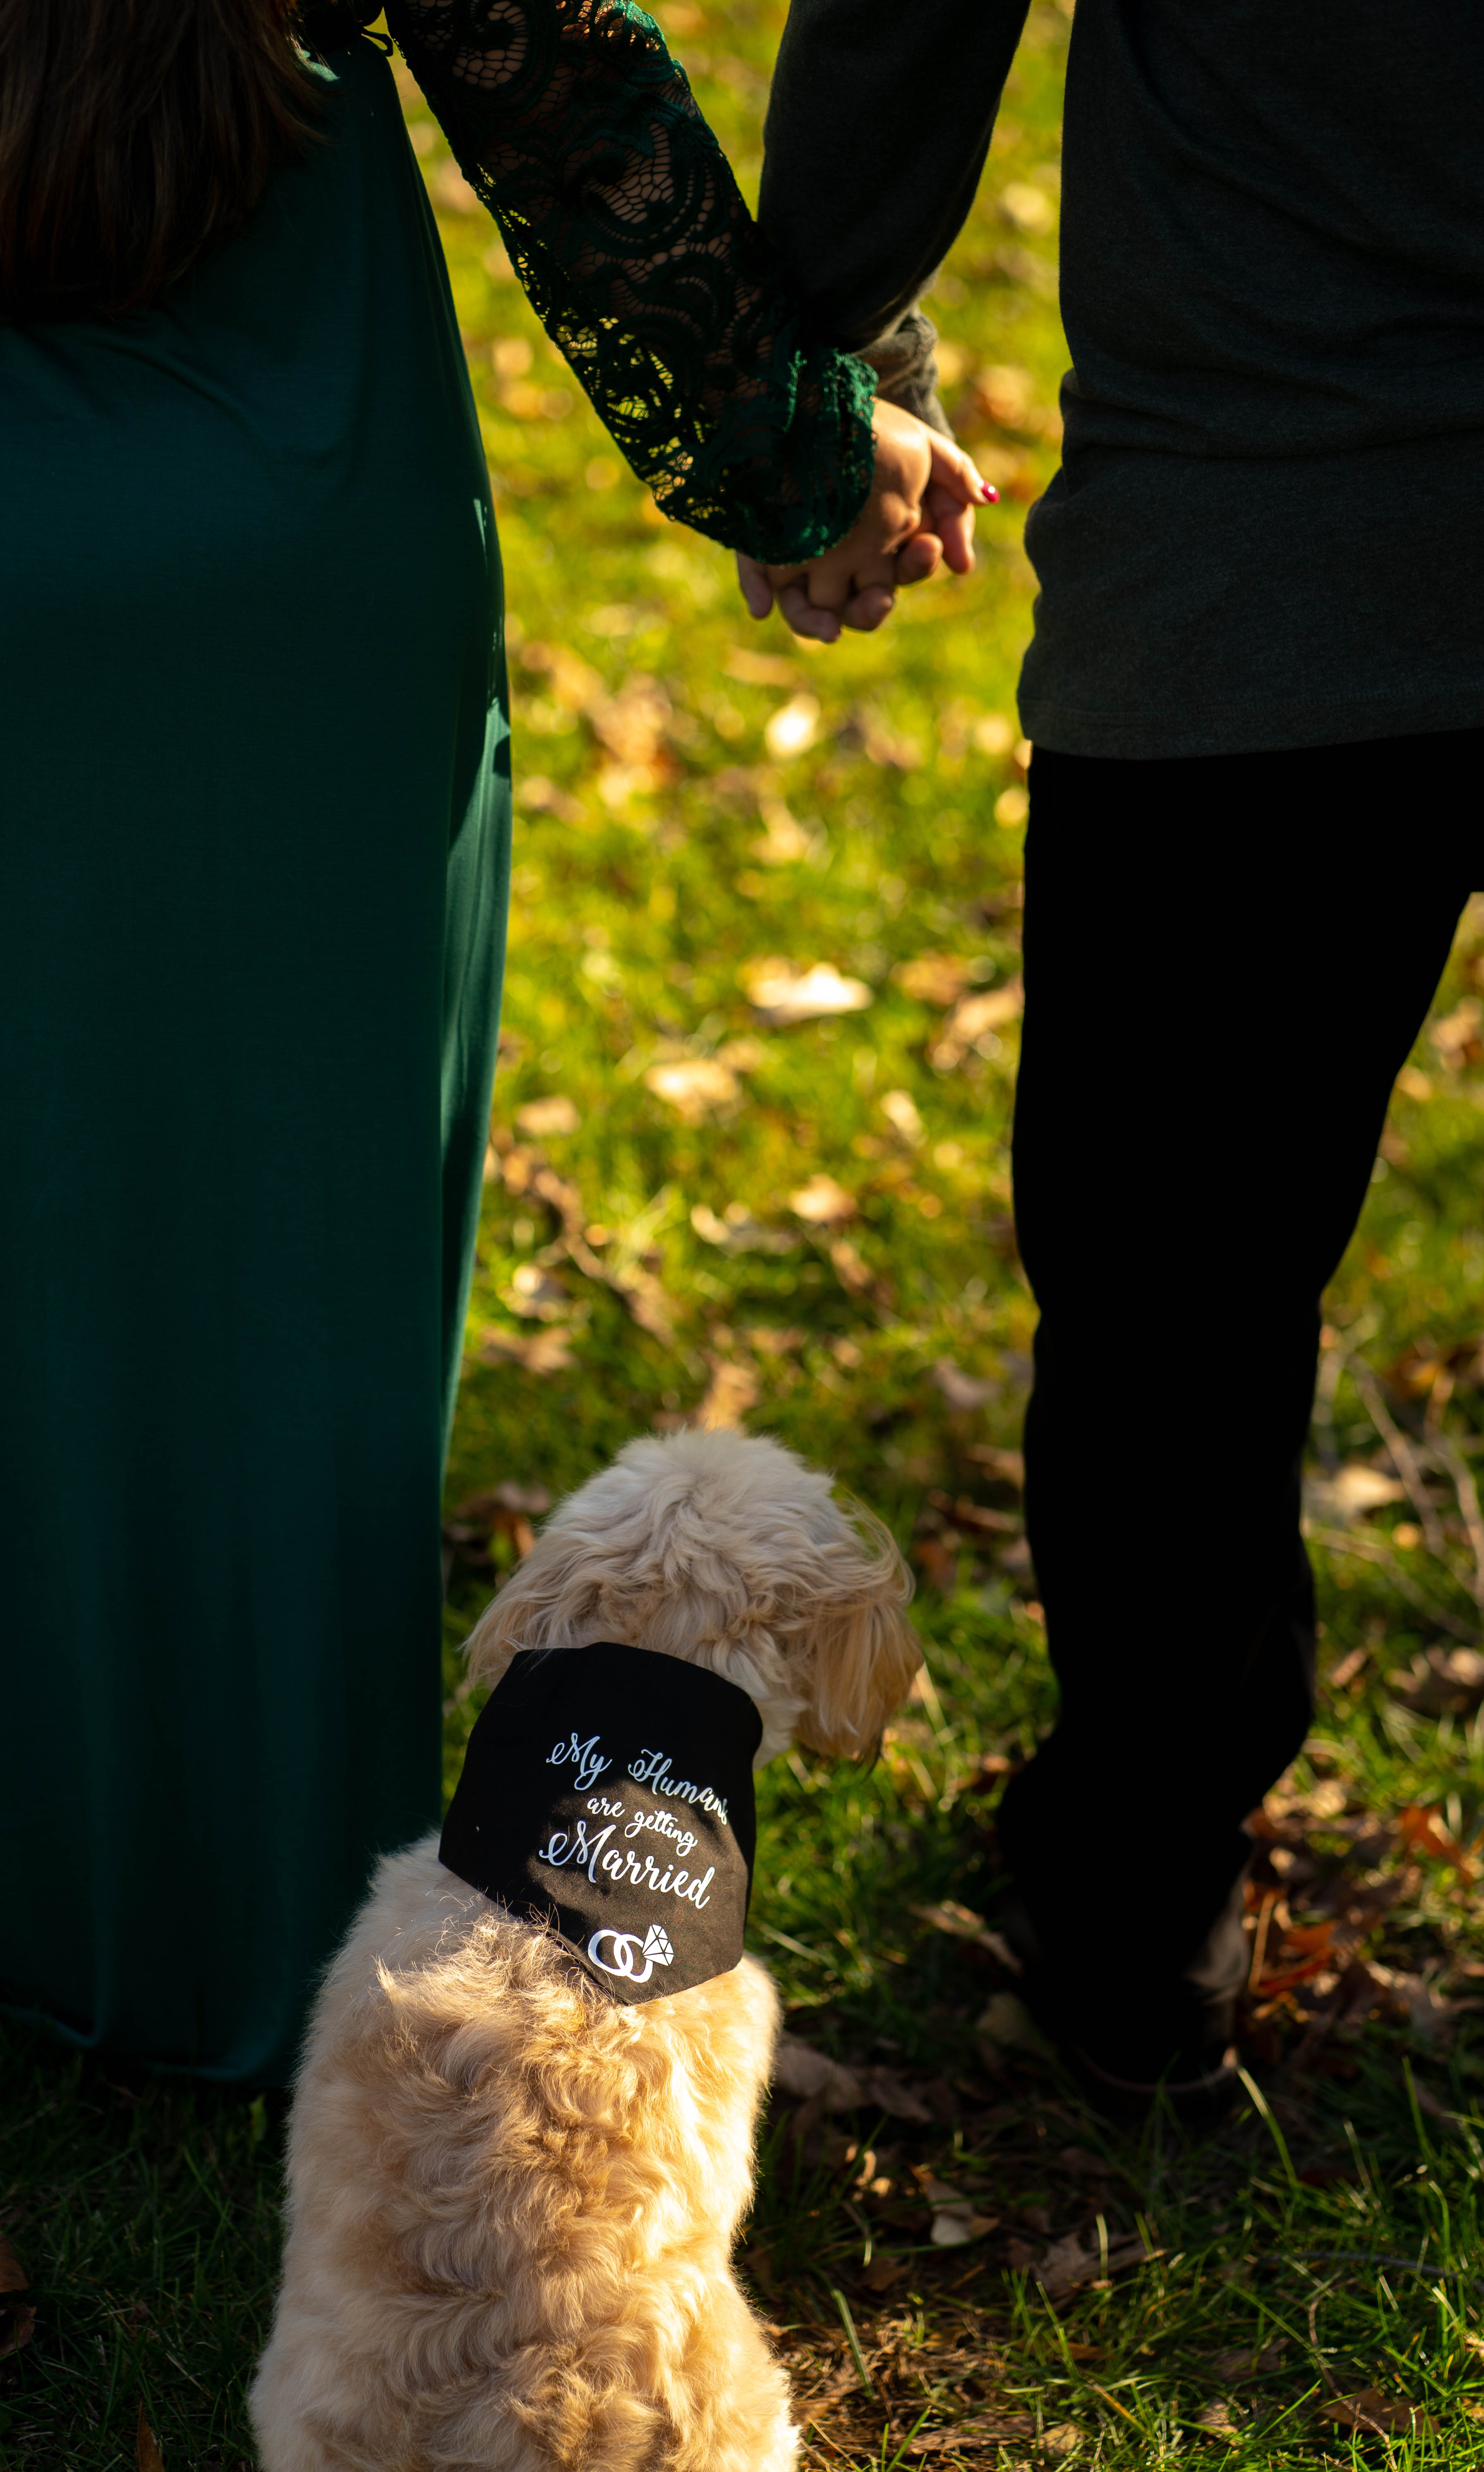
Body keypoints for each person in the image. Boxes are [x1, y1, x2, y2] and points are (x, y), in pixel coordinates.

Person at [0, 0, 991, 2080]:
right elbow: (560, 90)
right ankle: (236, 1920)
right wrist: (809, 451)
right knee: (279, 1262)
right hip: (273, 557)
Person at [745, 0, 1484, 2110]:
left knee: (1177, 1276)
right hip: (1253, 555)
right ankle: (1141, 1879)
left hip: (1261, 547)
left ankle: (1143, 1881)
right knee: (1177, 1272)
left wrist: (812, 389)